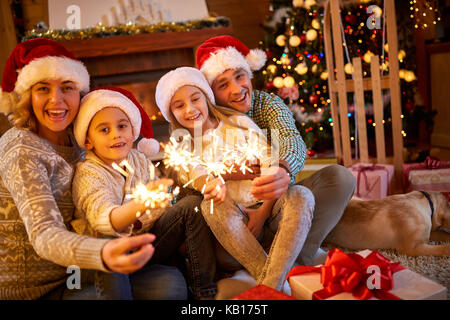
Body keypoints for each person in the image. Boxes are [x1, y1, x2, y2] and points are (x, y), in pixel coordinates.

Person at [0, 38, 185, 300]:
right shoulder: (21, 149)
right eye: (43, 89)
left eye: (67, 87)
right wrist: (102, 253)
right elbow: (44, 234)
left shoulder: (79, 140)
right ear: (27, 96)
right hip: (39, 290)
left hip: (82, 272)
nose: (57, 99)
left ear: (80, 93)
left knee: (171, 285)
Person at [196, 35, 356, 266]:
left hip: (283, 205)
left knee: (340, 177)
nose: (237, 89)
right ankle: (271, 255)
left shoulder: (267, 104)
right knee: (222, 256)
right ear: (211, 95)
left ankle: (297, 257)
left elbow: (292, 140)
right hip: (237, 216)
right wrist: (230, 174)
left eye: (240, 76)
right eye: (223, 84)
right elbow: (195, 171)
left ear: (249, 74)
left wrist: (282, 169)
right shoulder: (207, 122)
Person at [155, 66, 314, 291]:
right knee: (212, 203)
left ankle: (269, 286)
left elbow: (268, 162)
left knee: (302, 195)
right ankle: (272, 284)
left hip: (269, 208)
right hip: (234, 225)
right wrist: (216, 178)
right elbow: (195, 172)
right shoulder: (183, 144)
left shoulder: (239, 123)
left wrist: (263, 213)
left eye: (195, 99)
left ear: (206, 98)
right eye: (179, 106)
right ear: (171, 114)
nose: (190, 109)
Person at [71, 86, 217, 300]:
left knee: (190, 205)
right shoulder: (89, 174)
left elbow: (162, 207)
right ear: (87, 141)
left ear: (133, 131)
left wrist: (152, 209)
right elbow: (104, 222)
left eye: (122, 126)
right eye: (104, 130)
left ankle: (204, 293)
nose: (116, 135)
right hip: (107, 258)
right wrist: (143, 205)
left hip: (144, 243)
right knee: (108, 237)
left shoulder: (138, 160)